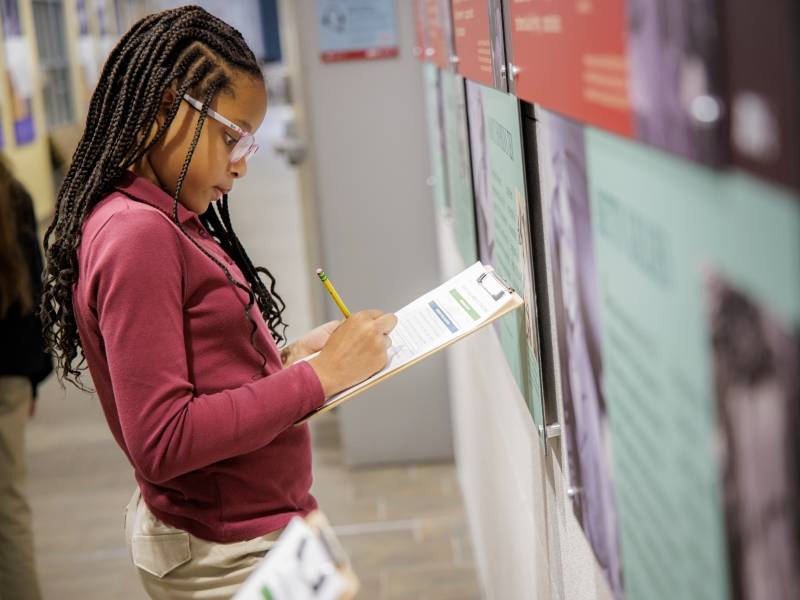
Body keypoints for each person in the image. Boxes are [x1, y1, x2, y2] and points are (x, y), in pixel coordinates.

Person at [40, 7, 396, 598]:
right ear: (163, 108)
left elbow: (197, 371)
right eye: (231, 137)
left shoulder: (163, 213)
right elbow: (163, 438)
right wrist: (322, 380)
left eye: (248, 142)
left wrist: (287, 360)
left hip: (244, 531)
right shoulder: (137, 234)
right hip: (226, 549)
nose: (240, 163)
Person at [0, 154, 52, 600]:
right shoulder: (13, 196)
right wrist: (33, 377)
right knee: (8, 512)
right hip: (8, 378)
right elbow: (33, 299)